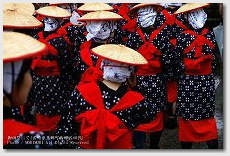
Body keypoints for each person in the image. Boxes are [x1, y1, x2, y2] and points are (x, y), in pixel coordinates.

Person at [54, 44, 158, 149]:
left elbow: (65, 126)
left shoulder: (82, 92)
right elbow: (150, 115)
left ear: (102, 65)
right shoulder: (136, 101)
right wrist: (135, 88)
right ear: (130, 72)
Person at [174, 3, 219, 149]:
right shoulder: (211, 34)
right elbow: (215, 62)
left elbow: (176, 63)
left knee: (187, 117)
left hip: (187, 82)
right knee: (207, 116)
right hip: (205, 81)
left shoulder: (181, 37)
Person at [126, 3, 170, 149]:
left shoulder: (132, 36)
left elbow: (128, 61)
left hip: (138, 81)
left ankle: (139, 146)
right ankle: (153, 147)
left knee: (139, 111)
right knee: (156, 114)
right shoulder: (163, 36)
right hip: (156, 81)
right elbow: (169, 61)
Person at [26, 5, 74, 130]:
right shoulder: (37, 36)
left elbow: (65, 65)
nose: (49, 21)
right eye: (46, 18)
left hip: (53, 81)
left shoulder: (61, 41)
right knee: (39, 103)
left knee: (52, 105)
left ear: (60, 21)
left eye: (53, 19)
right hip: (37, 78)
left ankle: (52, 128)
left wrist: (66, 83)